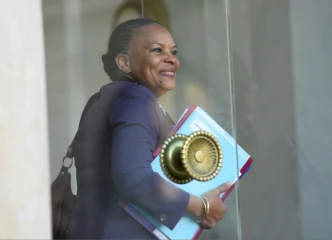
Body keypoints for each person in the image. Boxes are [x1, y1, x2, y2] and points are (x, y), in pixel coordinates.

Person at [68, 18, 230, 239]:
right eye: (157, 50)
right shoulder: (136, 99)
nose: (171, 60)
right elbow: (135, 178)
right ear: (124, 63)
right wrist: (202, 207)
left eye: (173, 52)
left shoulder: (101, 99)